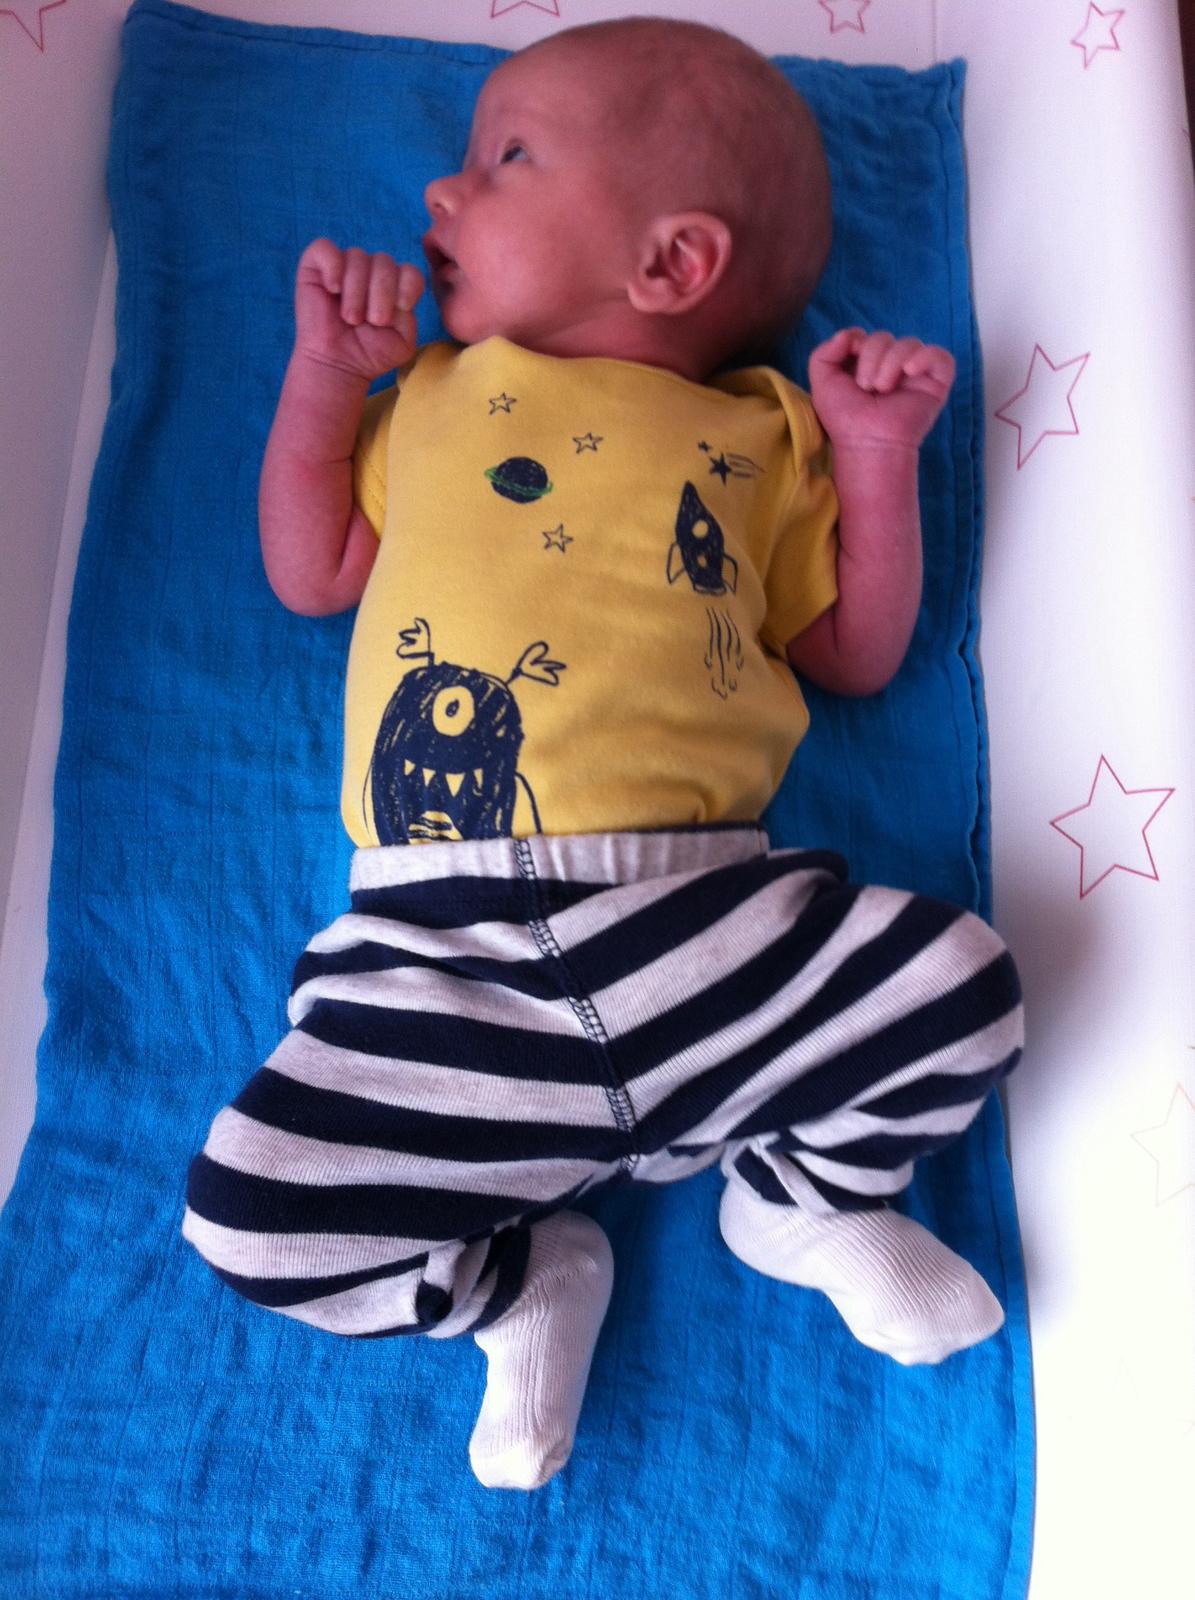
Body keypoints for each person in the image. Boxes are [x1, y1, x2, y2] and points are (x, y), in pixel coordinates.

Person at [182, 17, 1023, 1491]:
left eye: (505, 158)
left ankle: (800, 1203)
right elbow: (311, 571)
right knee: (248, 1217)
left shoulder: (762, 436)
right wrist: (325, 376)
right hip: (439, 961)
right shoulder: (430, 398)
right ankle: (524, 1278)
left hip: (699, 922)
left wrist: (877, 458)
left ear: (673, 262)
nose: (442, 191)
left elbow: (856, 650)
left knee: (963, 983)